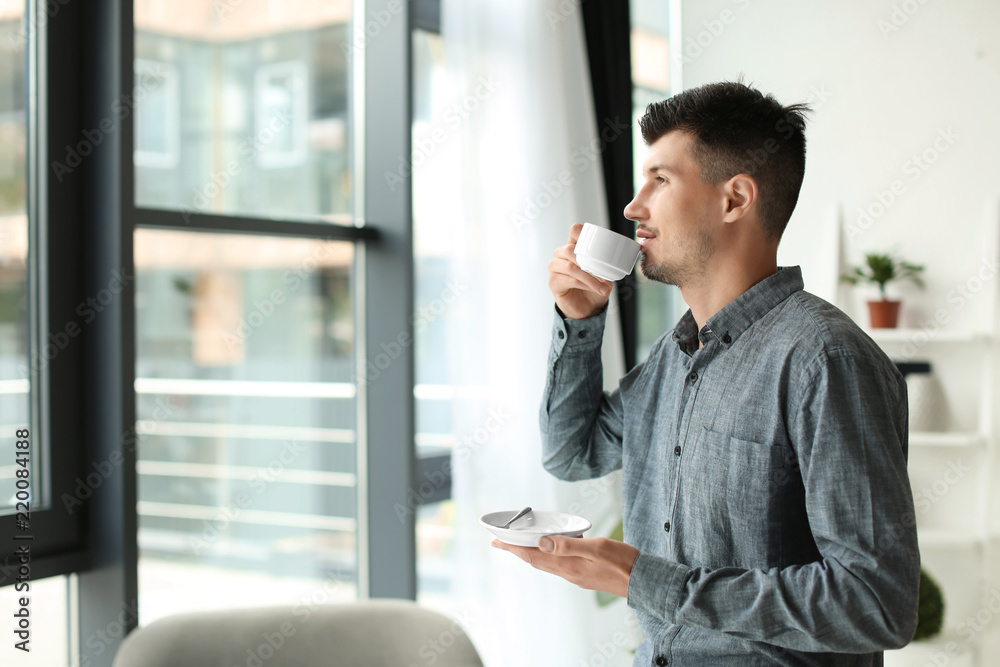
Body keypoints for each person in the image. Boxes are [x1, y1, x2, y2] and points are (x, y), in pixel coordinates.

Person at [491, 81, 920, 665]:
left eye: (660, 180)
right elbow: (572, 452)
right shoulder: (675, 355)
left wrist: (647, 579)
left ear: (735, 199)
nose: (632, 206)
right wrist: (579, 318)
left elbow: (874, 604)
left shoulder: (825, 359)